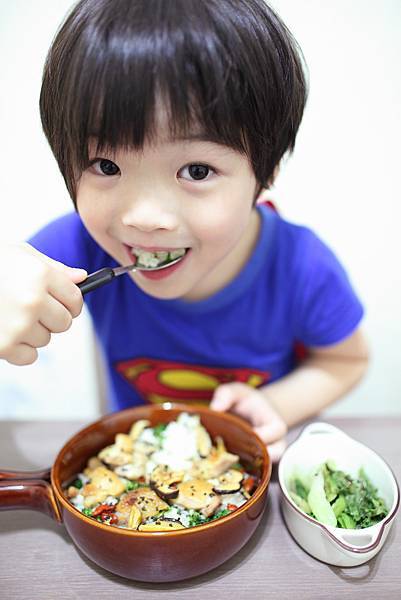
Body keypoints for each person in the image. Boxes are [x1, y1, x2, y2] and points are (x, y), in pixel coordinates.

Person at [0, 0, 369, 460]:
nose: (145, 216)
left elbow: (347, 360)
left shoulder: (301, 266)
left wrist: (273, 404)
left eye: (196, 170)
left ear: (268, 169)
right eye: (106, 164)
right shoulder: (79, 244)